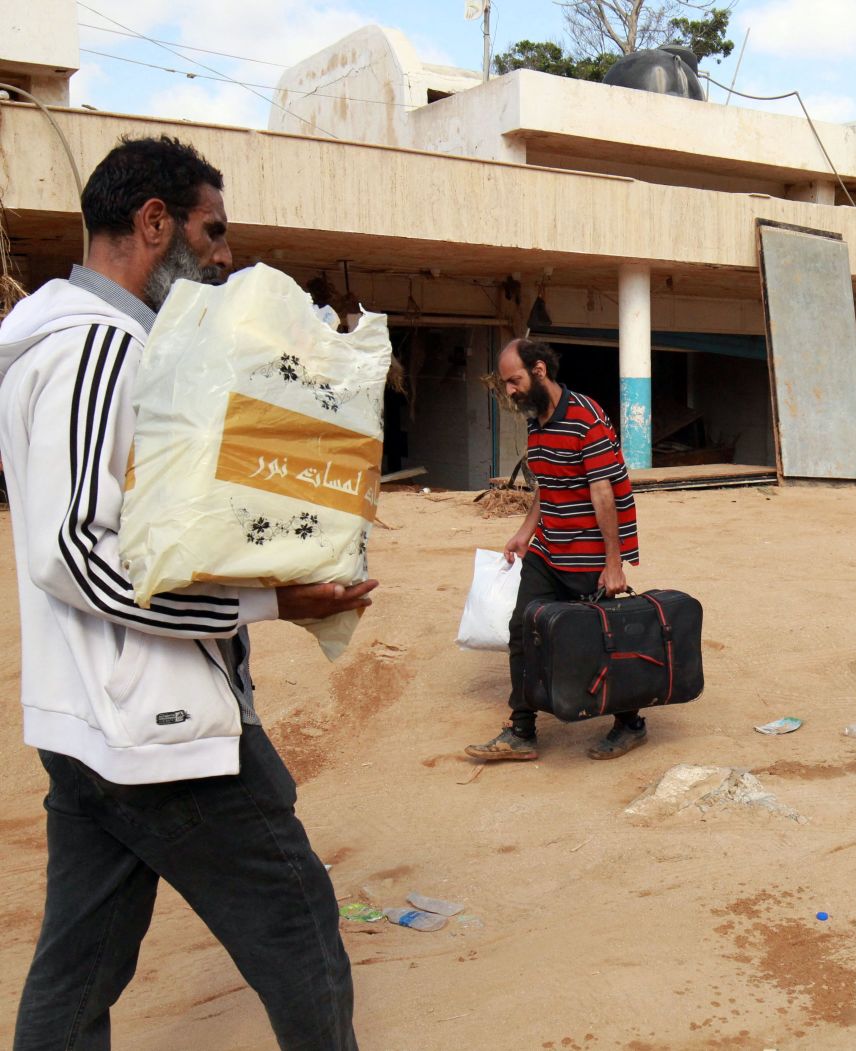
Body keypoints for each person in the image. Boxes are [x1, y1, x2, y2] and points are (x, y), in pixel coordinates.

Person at [0, 136, 374, 1051]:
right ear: (152, 222)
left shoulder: (80, 343)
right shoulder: (98, 347)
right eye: (211, 231)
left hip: (92, 722)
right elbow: (76, 554)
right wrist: (269, 607)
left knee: (80, 965)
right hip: (158, 731)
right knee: (298, 926)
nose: (224, 255)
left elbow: (149, 524)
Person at [466, 338, 647, 762]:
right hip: (549, 549)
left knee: (599, 640)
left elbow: (604, 493)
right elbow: (546, 485)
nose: (509, 391)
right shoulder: (536, 420)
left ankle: (630, 723)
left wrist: (613, 564)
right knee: (522, 631)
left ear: (540, 371)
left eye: (514, 381)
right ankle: (522, 731)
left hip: (589, 551)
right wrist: (525, 532)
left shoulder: (585, 418)